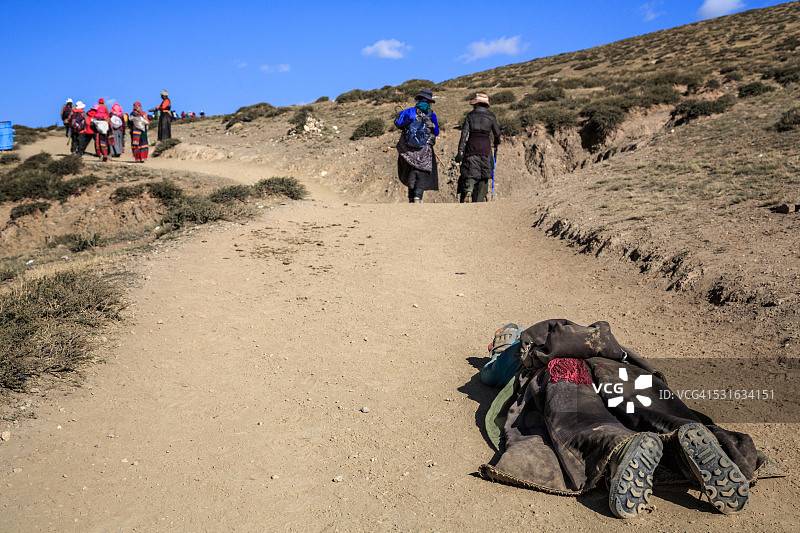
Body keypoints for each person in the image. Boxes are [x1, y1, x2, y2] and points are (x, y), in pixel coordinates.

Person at [479, 320, 763, 519]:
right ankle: (685, 437)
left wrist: (499, 354)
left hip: (563, 372)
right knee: (644, 409)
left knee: (581, 419)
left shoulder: (525, 343)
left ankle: (618, 447)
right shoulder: (597, 339)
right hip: (614, 369)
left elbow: (492, 375)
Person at [395, 88, 440, 203]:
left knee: (410, 171)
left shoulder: (410, 112)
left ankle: (411, 197)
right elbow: (437, 132)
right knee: (422, 172)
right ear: (428, 102)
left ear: (418, 100)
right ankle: (418, 197)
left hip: (408, 148)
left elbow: (399, 124)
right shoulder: (431, 114)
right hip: (424, 148)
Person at [456, 93, 501, 203]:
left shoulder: (470, 116)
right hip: (485, 146)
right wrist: (496, 142)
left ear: (476, 104)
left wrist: (460, 150)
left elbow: (464, 134)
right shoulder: (491, 116)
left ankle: (469, 190)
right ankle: (479, 200)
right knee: (484, 173)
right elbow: (497, 133)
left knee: (470, 170)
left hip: (472, 145)